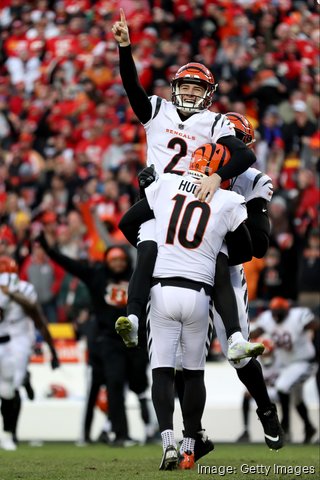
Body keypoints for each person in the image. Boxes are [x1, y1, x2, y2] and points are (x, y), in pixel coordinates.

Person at [120, 113, 285, 452]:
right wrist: (148, 188)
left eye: (232, 145)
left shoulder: (250, 182)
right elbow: (153, 215)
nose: (223, 151)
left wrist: (227, 221)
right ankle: (193, 436)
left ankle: (266, 408)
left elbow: (258, 247)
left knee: (235, 352)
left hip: (224, 262)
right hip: (187, 261)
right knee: (181, 357)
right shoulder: (190, 168)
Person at [111, 9, 257, 351]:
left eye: (197, 88)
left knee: (216, 261)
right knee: (136, 235)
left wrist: (218, 176)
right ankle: (136, 314)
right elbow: (132, 86)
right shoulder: (157, 110)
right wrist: (125, 48)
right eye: (186, 86)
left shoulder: (215, 122)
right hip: (159, 197)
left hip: (193, 200)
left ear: (207, 93)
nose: (190, 93)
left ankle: (233, 336)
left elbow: (245, 155)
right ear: (175, 88)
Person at [36, 238, 157, 446]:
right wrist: (50, 250)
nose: (118, 263)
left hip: (138, 340)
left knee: (140, 385)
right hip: (109, 340)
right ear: (106, 260)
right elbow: (71, 265)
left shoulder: (138, 276)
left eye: (121, 259)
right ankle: (120, 435)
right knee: (114, 384)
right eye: (113, 259)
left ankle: (150, 429)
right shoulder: (97, 276)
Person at [0, 255, 59, 450]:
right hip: (3, 340)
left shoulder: (24, 289)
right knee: (7, 388)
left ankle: (11, 433)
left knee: (11, 387)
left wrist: (53, 351)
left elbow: (37, 315)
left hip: (19, 340)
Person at [251, 297, 319, 443]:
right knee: (297, 400)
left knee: (282, 387)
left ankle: (285, 427)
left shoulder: (298, 315)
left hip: (305, 362)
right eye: (274, 312)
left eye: (279, 312)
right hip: (288, 365)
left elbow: (314, 324)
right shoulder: (267, 318)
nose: (276, 315)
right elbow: (257, 331)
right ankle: (309, 427)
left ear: (287, 311)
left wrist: (311, 327)